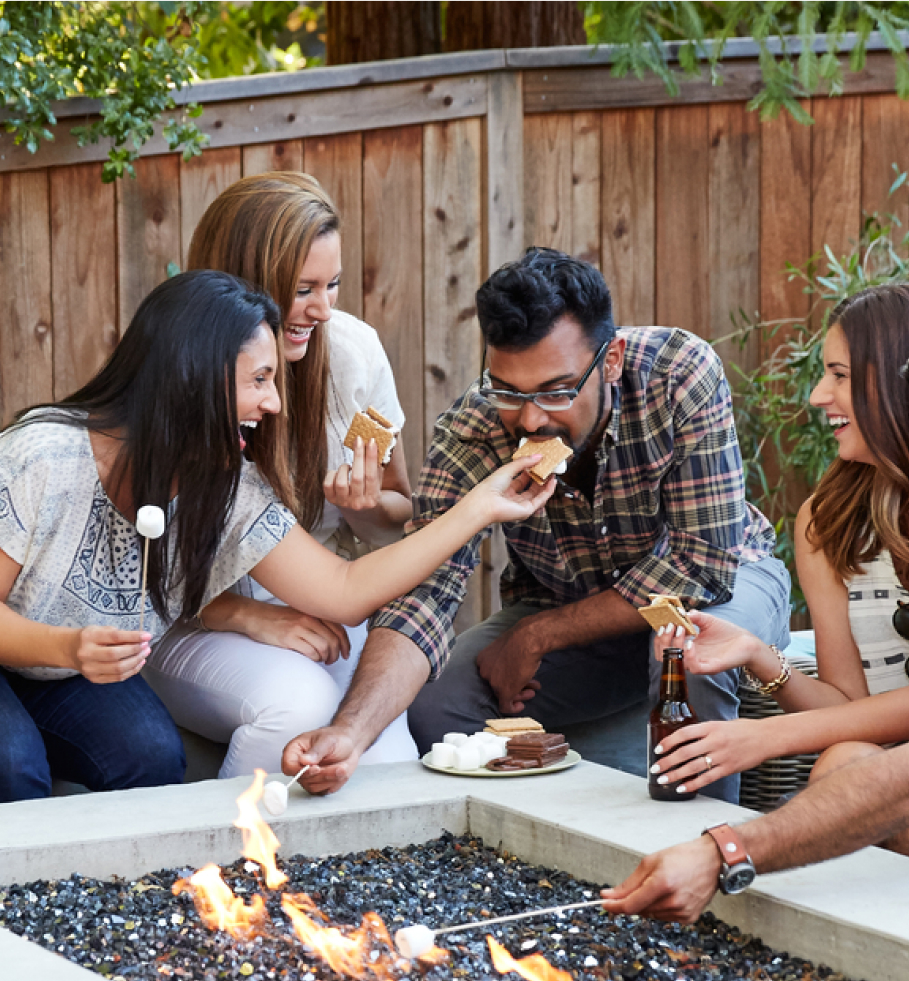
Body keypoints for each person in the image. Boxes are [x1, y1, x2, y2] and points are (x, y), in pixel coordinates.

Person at [0, 271, 554, 803]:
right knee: (13, 765)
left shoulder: (223, 483)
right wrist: (67, 647)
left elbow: (343, 588)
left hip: (63, 672)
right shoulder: (45, 457)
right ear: (194, 376)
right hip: (31, 653)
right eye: (259, 380)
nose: (274, 404)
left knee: (149, 755)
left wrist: (479, 508)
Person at [603, 294, 909, 922]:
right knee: (865, 775)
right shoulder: (831, 519)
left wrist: (727, 845)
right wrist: (763, 659)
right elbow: (876, 727)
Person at [282, 247, 792, 802]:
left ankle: (708, 850)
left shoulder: (679, 374)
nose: (530, 419)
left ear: (613, 359)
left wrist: (538, 634)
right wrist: (350, 733)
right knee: (438, 703)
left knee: (686, 650)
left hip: (722, 588)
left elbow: (701, 567)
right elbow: (422, 593)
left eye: (556, 391)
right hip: (565, 604)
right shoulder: (475, 427)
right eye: (508, 391)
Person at [648, 284, 909, 799]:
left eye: (838, 375)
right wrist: (755, 654)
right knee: (844, 762)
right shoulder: (827, 523)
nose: (817, 395)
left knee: (847, 770)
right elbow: (848, 712)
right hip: (888, 777)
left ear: (905, 382)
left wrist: (764, 736)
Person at [144, 172, 418, 777]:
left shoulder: (351, 354)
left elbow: (401, 513)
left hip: (320, 596)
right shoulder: (176, 371)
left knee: (388, 756)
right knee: (302, 706)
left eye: (334, 285)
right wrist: (244, 614)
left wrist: (361, 506)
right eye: (302, 289)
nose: (322, 309)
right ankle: (217, 863)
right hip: (183, 611)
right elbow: (133, 568)